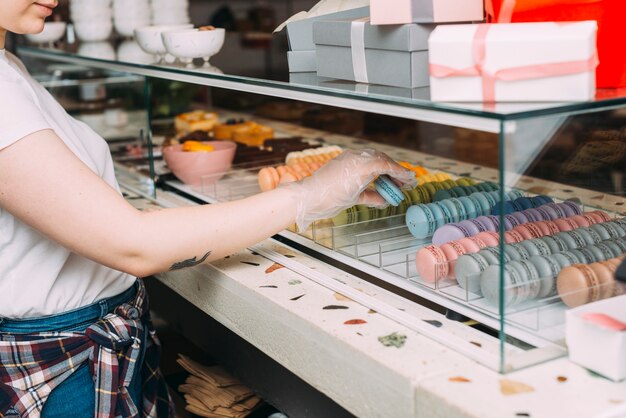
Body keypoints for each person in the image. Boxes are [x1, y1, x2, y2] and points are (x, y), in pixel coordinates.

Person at [0, 1, 415, 417]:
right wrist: (309, 195)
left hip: (94, 341)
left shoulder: (8, 63)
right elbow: (133, 244)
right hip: (66, 368)